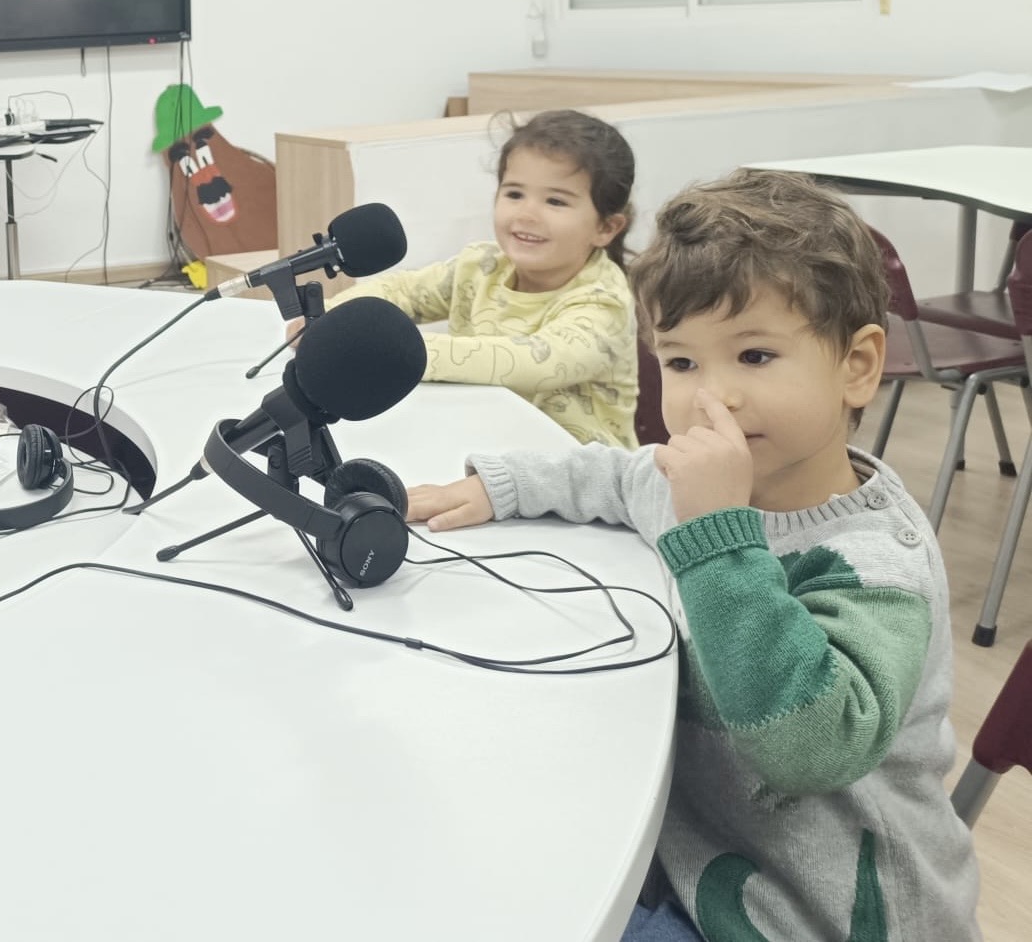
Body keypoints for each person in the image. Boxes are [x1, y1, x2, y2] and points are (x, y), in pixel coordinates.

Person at [407, 170, 979, 942]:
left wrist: (719, 536)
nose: (716, 400)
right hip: (696, 849)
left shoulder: (875, 566)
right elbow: (618, 475)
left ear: (857, 366)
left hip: (814, 912)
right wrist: (500, 486)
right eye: (681, 364)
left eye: (755, 356)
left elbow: (810, 749)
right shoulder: (691, 480)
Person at [311, 108, 639, 447]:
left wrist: (395, 353)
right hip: (483, 445)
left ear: (606, 227)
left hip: (580, 473)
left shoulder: (605, 301)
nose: (526, 213)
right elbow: (402, 291)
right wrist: (330, 320)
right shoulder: (481, 265)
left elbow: (539, 362)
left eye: (555, 201)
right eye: (514, 194)